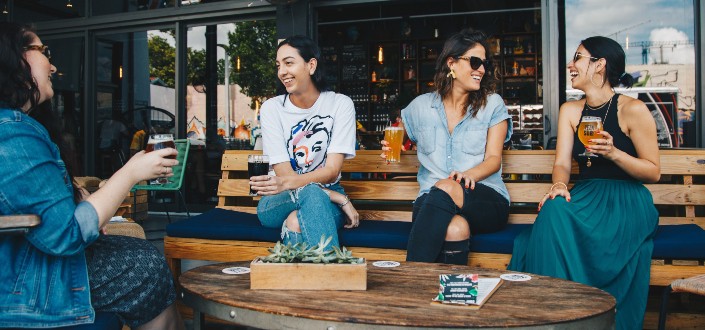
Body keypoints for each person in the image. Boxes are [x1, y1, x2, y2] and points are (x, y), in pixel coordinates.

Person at [0, 22, 184, 329]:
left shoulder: (17, 129)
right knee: (143, 266)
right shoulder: (12, 134)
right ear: (15, 58)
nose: (53, 64)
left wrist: (78, 199)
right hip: (21, 285)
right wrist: (130, 173)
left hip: (27, 261)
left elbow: (39, 210)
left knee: (140, 255)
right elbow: (64, 235)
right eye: (44, 51)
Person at [508, 36, 660, 329]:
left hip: (626, 200)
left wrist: (614, 153)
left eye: (577, 57)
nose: (570, 65)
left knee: (555, 223)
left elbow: (653, 171)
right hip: (586, 195)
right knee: (553, 210)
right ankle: (550, 318)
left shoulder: (633, 110)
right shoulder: (570, 111)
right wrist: (560, 185)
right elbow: (563, 164)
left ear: (599, 65)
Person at [387, 28, 512, 265]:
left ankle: (410, 275)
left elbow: (494, 159)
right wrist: (393, 144)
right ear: (451, 63)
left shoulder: (492, 105)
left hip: (484, 199)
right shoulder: (420, 106)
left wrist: (465, 176)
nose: (482, 70)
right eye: (475, 62)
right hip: (431, 202)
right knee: (455, 229)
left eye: (485, 64)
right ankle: (450, 297)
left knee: (448, 186)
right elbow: (399, 133)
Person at [250, 35, 359, 251]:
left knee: (295, 222)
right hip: (278, 199)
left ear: (311, 65)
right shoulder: (272, 109)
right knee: (310, 193)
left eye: (289, 63)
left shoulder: (340, 104)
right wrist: (336, 196)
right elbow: (283, 176)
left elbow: (331, 170)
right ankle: (336, 275)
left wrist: (326, 192)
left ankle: (307, 279)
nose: (282, 71)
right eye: (278, 65)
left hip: (323, 195)